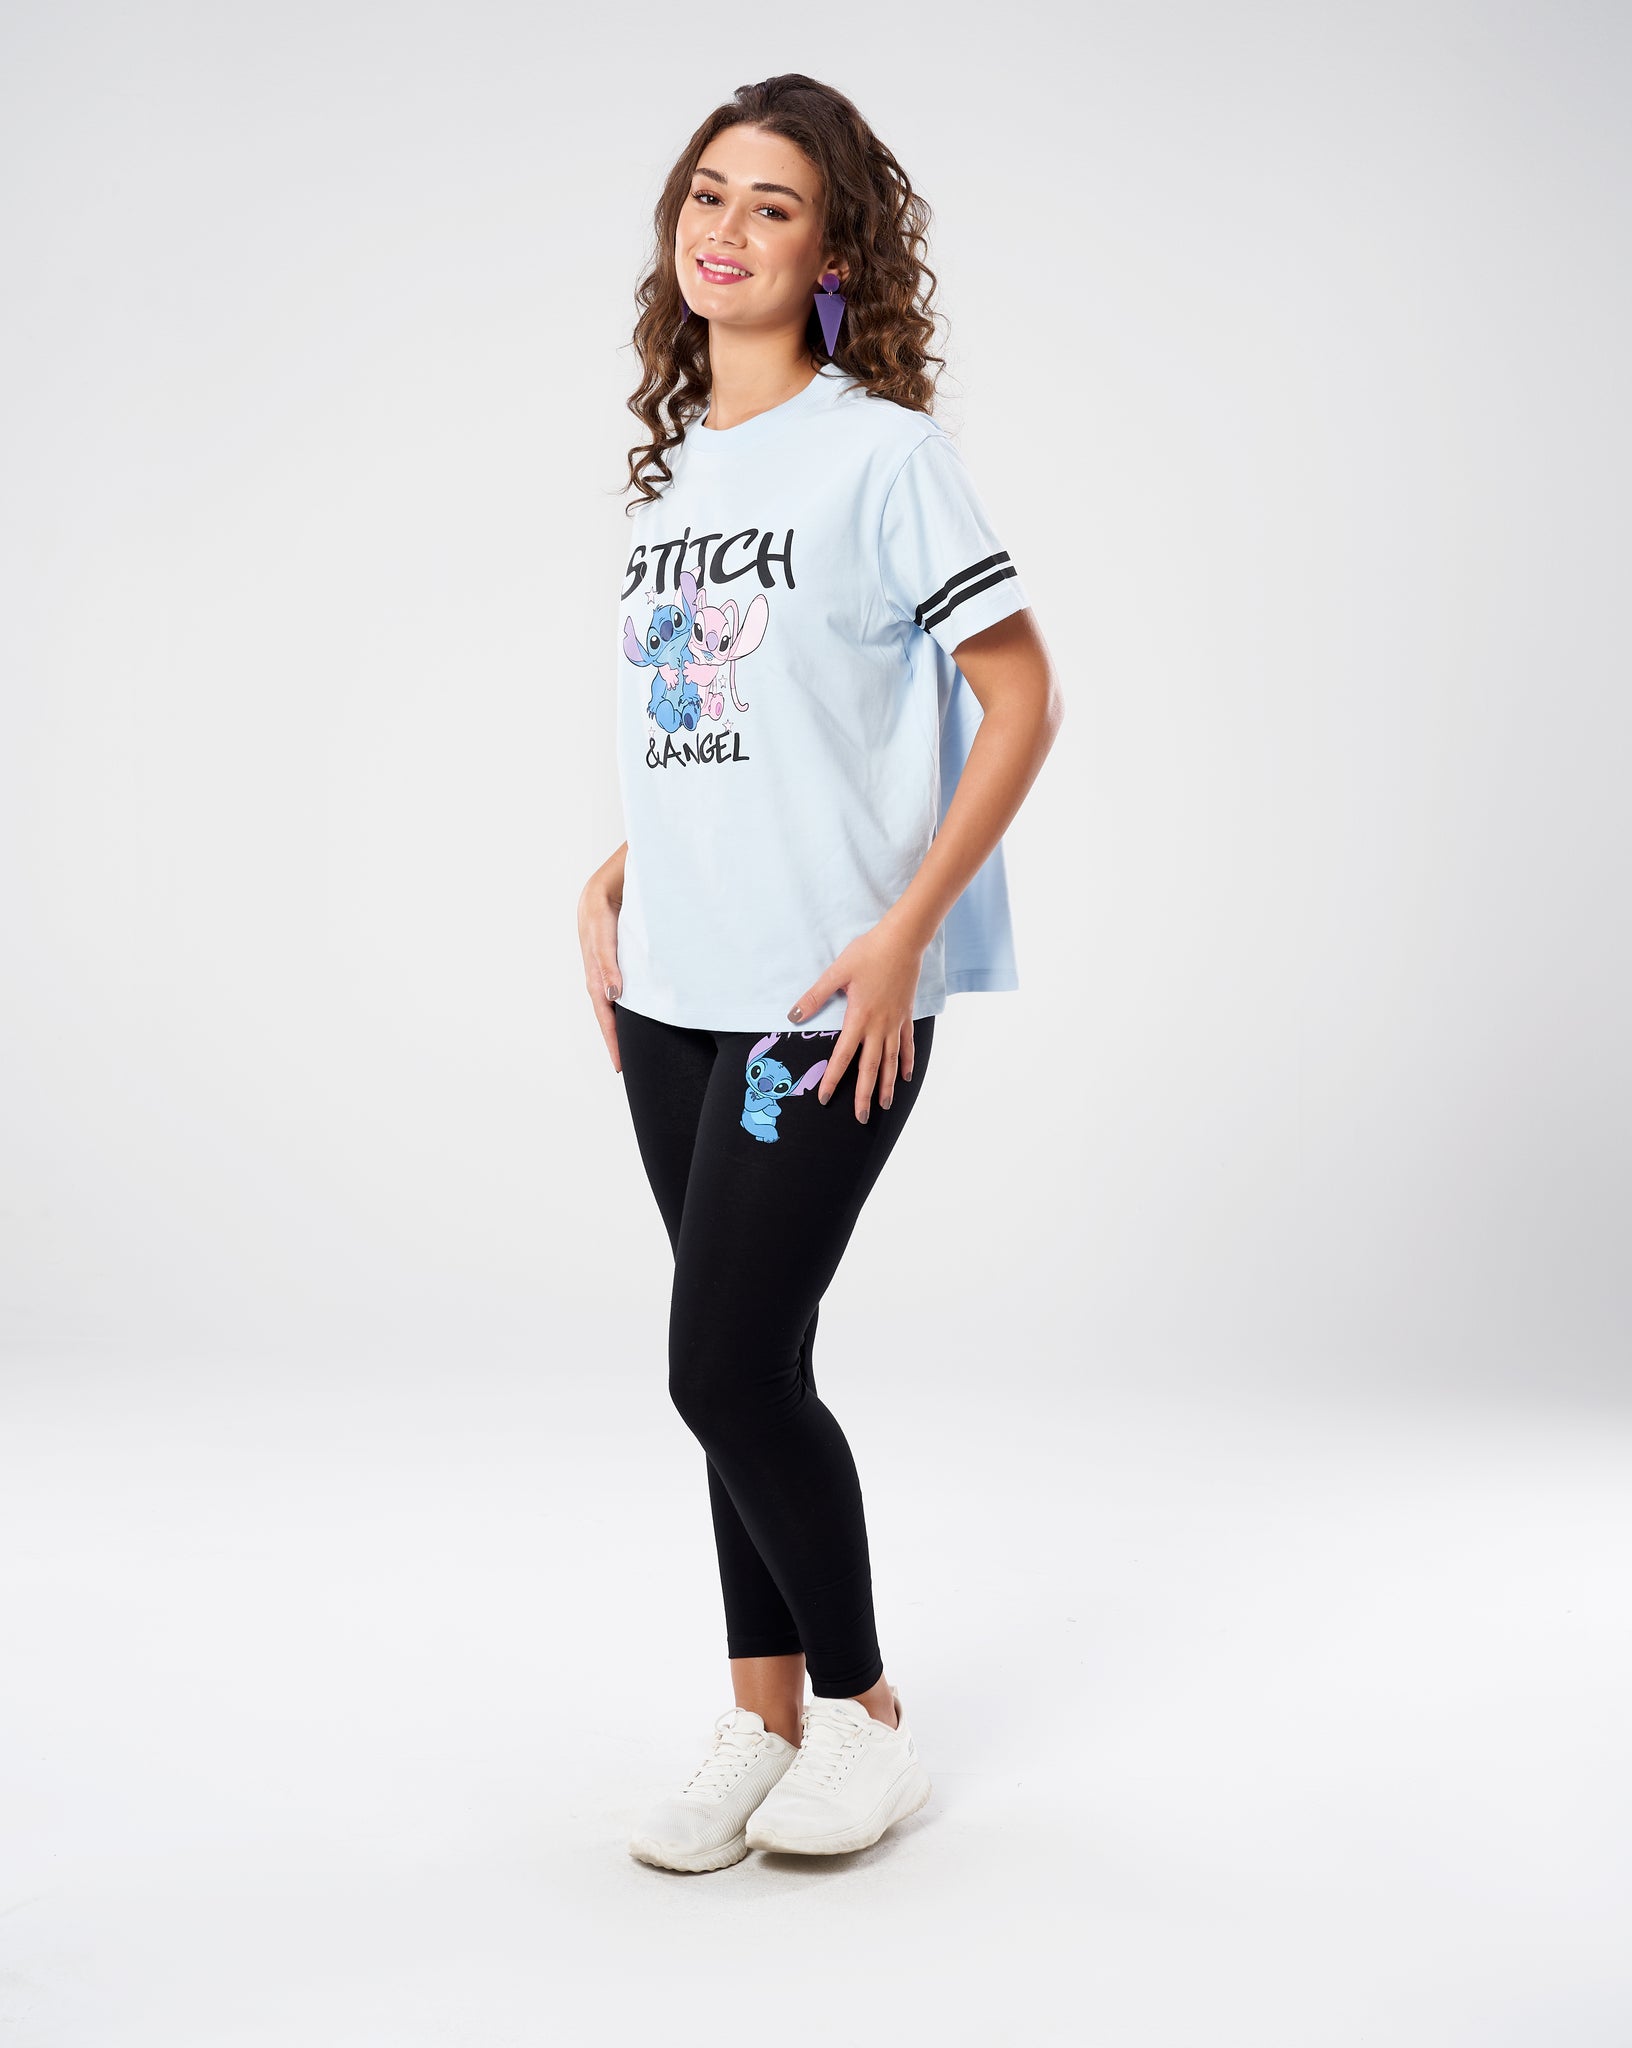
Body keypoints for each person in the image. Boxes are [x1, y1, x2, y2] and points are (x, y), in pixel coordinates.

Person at [577, 74, 1064, 1872]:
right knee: (753, 1356)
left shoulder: (884, 456)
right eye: (708, 193)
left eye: (773, 204)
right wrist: (622, 864)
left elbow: (1020, 697)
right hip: (673, 989)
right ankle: (761, 1718)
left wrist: (906, 933)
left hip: (824, 997)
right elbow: (738, 722)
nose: (726, 227)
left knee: (720, 1369)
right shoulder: (676, 481)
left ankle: (865, 1716)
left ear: (835, 250)